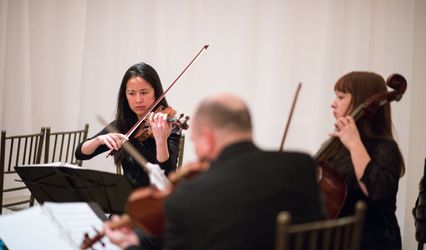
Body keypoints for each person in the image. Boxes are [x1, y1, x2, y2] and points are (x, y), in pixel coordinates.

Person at [102, 93, 325, 250]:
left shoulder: (188, 196)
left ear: (207, 138)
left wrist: (131, 246)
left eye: (195, 140)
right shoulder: (303, 166)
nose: (197, 149)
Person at [320, 71, 405, 250]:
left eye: (341, 97)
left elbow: (377, 191)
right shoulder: (334, 146)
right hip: (338, 241)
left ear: (360, 101)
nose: (333, 104)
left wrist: (354, 143)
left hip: (373, 244)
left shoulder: (385, 148)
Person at [75, 62, 181, 189]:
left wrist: (161, 141)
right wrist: (99, 140)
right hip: (128, 200)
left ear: (156, 92)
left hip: (159, 201)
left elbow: (167, 177)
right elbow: (80, 153)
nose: (138, 100)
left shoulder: (169, 126)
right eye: (131, 93)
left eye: (144, 92)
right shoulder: (122, 125)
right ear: (125, 95)